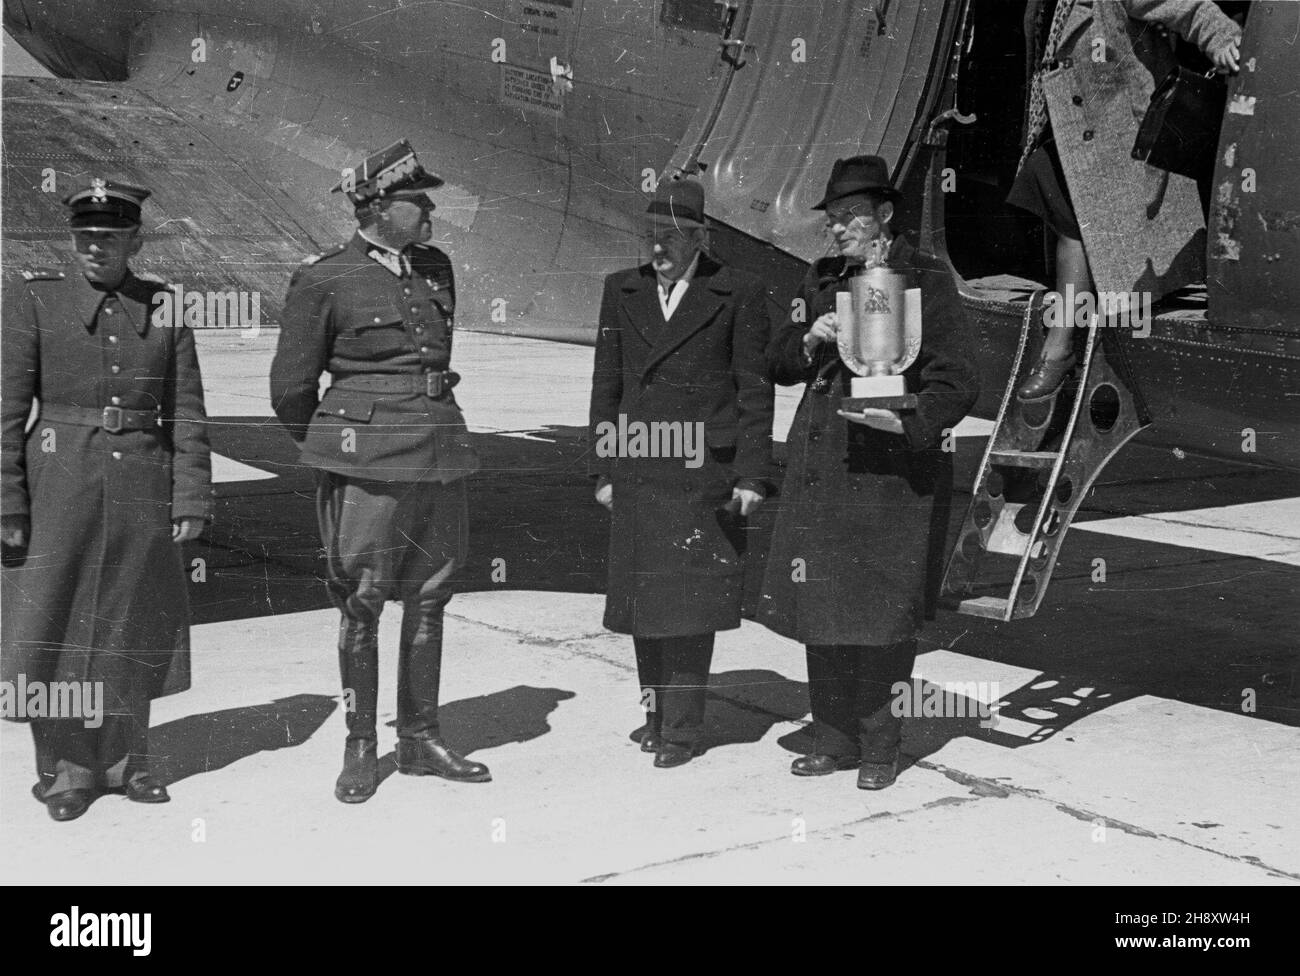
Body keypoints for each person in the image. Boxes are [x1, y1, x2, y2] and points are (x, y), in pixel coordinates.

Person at [270, 140, 487, 803]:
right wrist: (339, 448)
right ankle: (361, 745)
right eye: (416, 200)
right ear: (376, 207)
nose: (428, 210)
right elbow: (290, 388)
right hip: (367, 465)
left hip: (438, 455)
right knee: (363, 603)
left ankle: (420, 736)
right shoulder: (324, 278)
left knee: (431, 598)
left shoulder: (436, 267)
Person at [757, 156, 979, 790]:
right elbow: (777, 360)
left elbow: (958, 379)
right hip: (823, 467)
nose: (838, 230)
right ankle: (832, 737)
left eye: (850, 216)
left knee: (879, 614)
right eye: (832, 219)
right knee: (822, 606)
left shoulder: (925, 279)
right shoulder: (821, 277)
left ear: (883, 214)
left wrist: (906, 424)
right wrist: (809, 338)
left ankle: (880, 747)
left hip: (890, 475)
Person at [1, 180, 211, 822]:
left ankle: (128, 762)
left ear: (134, 240)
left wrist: (190, 496)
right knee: (57, 625)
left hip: (143, 484)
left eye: (110, 237)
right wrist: (8, 504)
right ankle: (67, 772)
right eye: (85, 237)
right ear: (73, 240)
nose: (96, 247)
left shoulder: (167, 306)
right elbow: (6, 411)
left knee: (131, 620)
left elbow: (188, 412)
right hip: (60, 484)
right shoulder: (34, 300)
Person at [588, 178, 775, 768]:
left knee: (689, 603)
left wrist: (751, 475)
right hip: (640, 465)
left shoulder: (738, 291)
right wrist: (602, 468)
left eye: (670, 236)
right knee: (646, 600)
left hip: (704, 473)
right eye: (650, 235)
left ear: (700, 236)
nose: (658, 247)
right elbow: (606, 387)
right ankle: (655, 715)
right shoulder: (622, 290)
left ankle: (684, 729)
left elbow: (754, 390)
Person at [1011, 0, 1242, 400]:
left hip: (1119, 132)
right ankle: (1066, 342)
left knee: (1074, 221)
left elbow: (1186, 6)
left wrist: (1222, 38)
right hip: (1078, 126)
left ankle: (1059, 348)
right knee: (1061, 204)